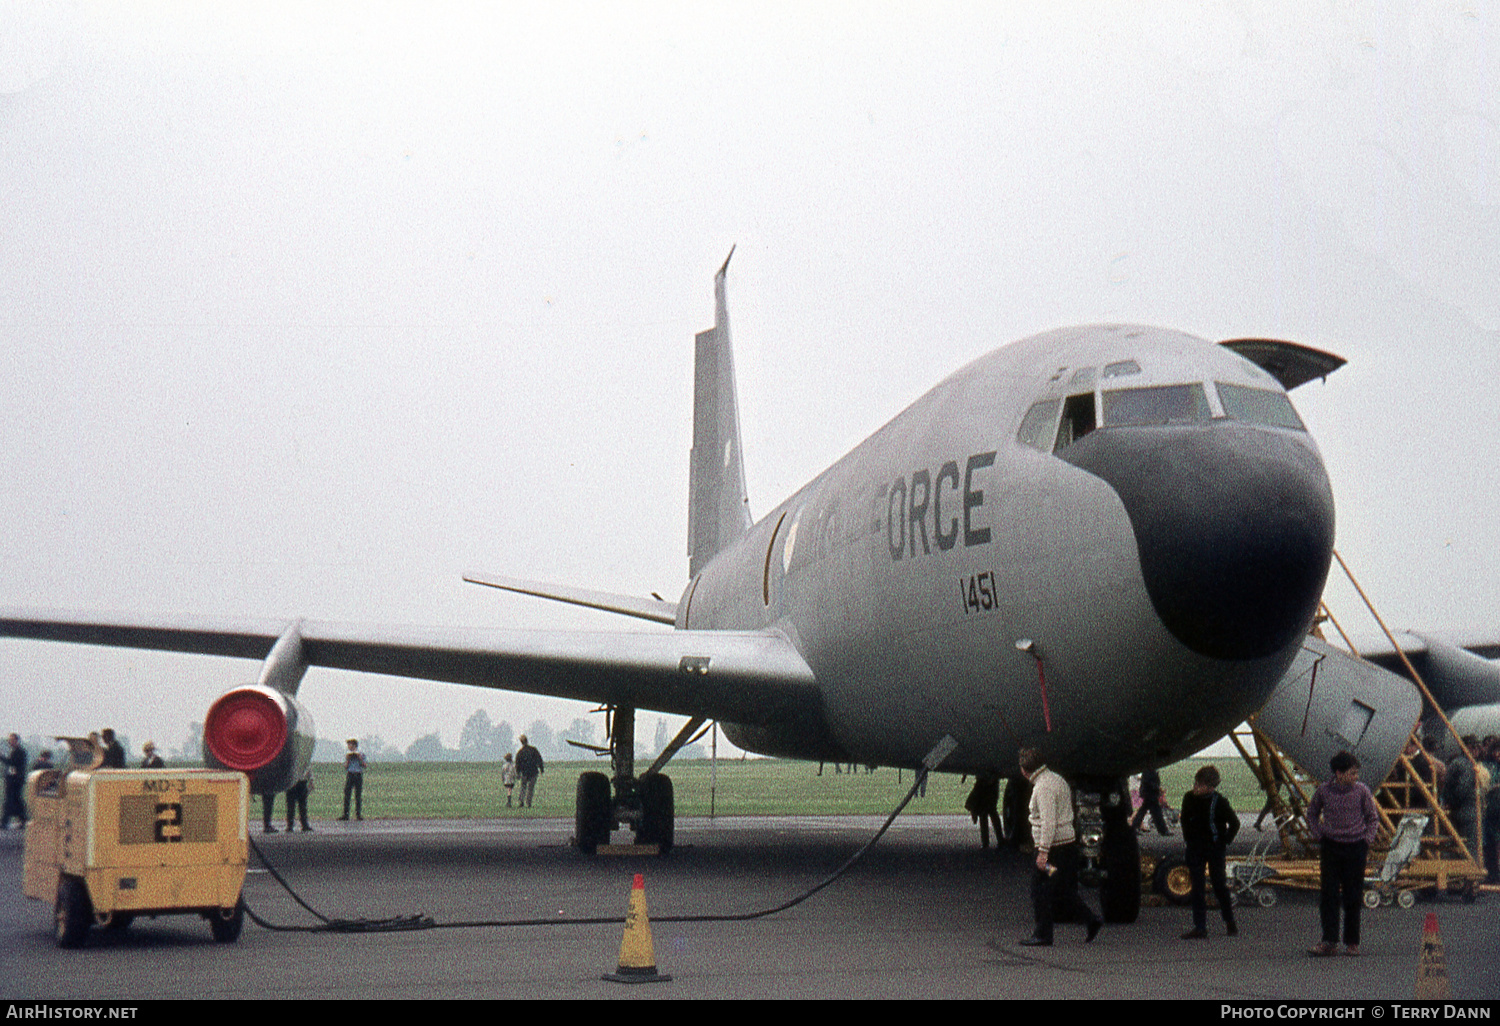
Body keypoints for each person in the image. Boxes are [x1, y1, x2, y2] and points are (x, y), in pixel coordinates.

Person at [1016, 746, 1101, 947]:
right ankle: (1091, 919)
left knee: (1040, 890)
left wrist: (1043, 851)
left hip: (1053, 850)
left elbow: (1048, 821)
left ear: (1024, 769)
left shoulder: (1042, 787)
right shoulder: (1056, 779)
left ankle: (1043, 934)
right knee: (1062, 889)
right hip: (1066, 847)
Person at [1305, 750, 1380, 957]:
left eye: (1357, 773)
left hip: (1356, 847)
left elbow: (1372, 818)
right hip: (1331, 847)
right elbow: (1311, 813)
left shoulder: (1362, 791)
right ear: (1338, 773)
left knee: (1353, 895)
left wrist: (1367, 840)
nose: (1355, 778)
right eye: (1352, 773)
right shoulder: (1323, 791)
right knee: (1328, 895)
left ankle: (1352, 942)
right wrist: (1319, 834)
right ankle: (1329, 940)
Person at [1179, 764, 1239, 939]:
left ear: (1210, 787)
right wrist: (1189, 839)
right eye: (1195, 783)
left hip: (1214, 848)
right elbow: (1184, 820)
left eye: (1200, 784)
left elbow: (1234, 823)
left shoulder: (1219, 802)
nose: (1195, 787)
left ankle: (1229, 921)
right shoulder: (1189, 798)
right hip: (1195, 848)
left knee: (1219, 884)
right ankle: (1200, 927)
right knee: (1197, 887)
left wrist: (1224, 841)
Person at [964, 774, 1003, 849]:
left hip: (986, 783)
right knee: (989, 813)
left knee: (987, 813)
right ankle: (998, 840)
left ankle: (987, 842)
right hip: (989, 782)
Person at [1131, 767, 1170, 836]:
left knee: (1144, 811)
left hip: (1148, 792)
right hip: (1150, 793)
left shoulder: (1148, 769)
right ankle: (1163, 830)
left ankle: (1134, 827)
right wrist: (1157, 788)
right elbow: (1149, 781)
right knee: (1156, 812)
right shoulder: (1150, 770)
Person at [3, 734, 28, 829]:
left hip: (16, 780)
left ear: (17, 741)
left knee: (11, 800)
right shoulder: (13, 751)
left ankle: (5, 821)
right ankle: (23, 819)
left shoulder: (20, 752)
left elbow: (12, 762)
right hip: (11, 779)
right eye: (10, 740)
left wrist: (2, 757)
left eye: (12, 740)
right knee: (16, 800)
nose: (10, 742)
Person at [339, 739, 367, 821]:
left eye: (350, 745)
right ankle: (346, 814)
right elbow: (345, 767)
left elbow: (364, 765)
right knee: (347, 794)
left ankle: (358, 815)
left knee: (358, 795)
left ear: (354, 745)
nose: (348, 746)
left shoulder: (361, 754)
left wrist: (359, 758)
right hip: (350, 774)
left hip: (358, 774)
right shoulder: (347, 754)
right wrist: (348, 759)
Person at [515, 735, 544, 809]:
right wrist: (541, 769)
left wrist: (518, 773)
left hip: (524, 773)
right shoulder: (533, 750)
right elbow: (539, 759)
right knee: (530, 789)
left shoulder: (520, 752)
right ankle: (528, 803)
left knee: (523, 787)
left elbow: (517, 763)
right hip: (533, 772)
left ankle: (521, 802)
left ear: (521, 742)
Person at [285, 768, 313, 832]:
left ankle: (292, 825)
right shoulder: (304, 759)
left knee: (295, 805)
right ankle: (300, 824)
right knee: (297, 805)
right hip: (297, 781)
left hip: (296, 781)